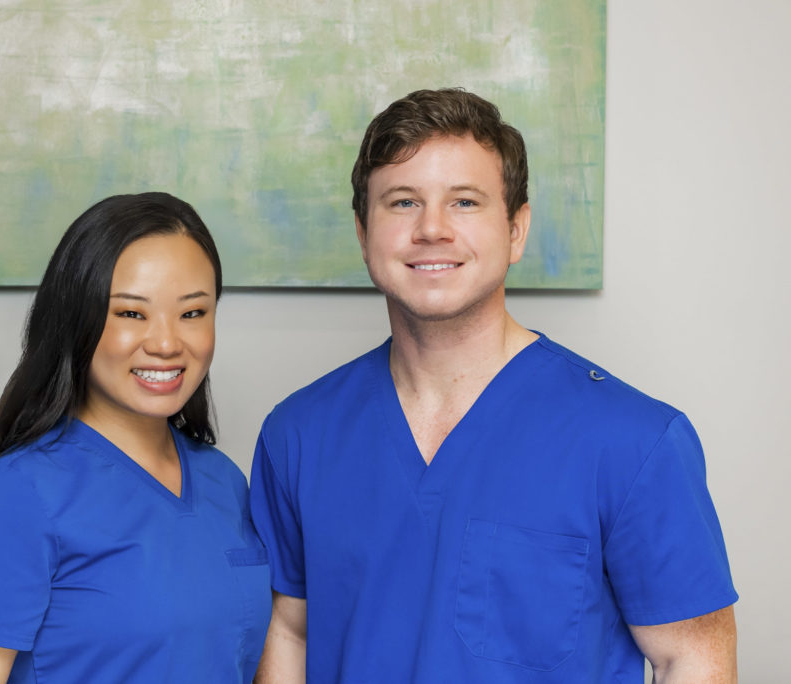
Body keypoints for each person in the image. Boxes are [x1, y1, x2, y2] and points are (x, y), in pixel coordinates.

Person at [249, 89, 738, 682]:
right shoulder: (298, 434)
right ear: (362, 232)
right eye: (402, 202)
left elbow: (692, 657)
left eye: (464, 202)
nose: (432, 229)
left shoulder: (634, 442)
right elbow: (291, 632)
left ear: (516, 230)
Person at [0, 192, 270, 683]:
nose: (166, 343)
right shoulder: (10, 498)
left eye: (193, 313)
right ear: (75, 320)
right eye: (130, 313)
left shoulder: (225, 483)